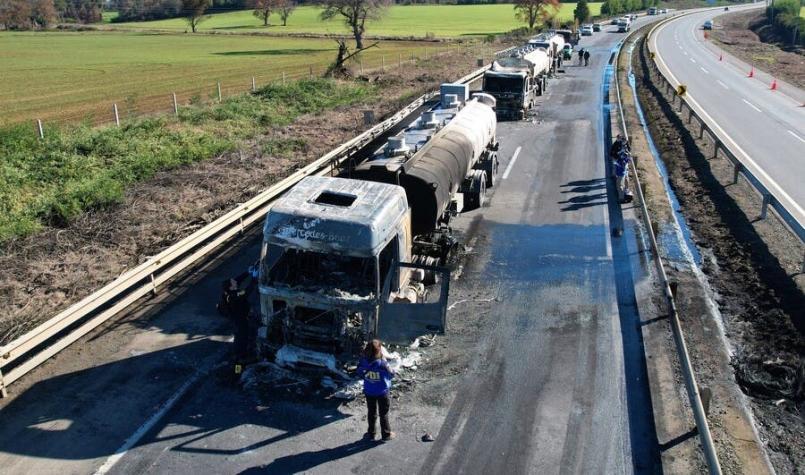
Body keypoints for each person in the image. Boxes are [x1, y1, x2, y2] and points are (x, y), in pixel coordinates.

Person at [357, 339, 395, 441]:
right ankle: (386, 434)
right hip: (382, 392)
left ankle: (371, 434)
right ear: (379, 350)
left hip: (369, 391)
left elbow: (359, 372)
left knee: (371, 413)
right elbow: (392, 374)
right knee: (383, 414)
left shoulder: (362, 362)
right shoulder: (383, 364)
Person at [218, 272, 256, 364]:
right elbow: (247, 291)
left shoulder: (228, 291)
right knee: (242, 337)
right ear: (232, 287)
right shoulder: (236, 295)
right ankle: (240, 359)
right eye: (233, 282)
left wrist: (248, 272)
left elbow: (237, 280)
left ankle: (238, 355)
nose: (235, 281)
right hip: (240, 320)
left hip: (236, 318)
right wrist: (254, 279)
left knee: (239, 335)